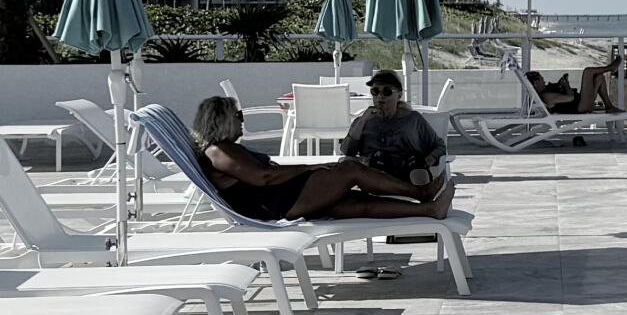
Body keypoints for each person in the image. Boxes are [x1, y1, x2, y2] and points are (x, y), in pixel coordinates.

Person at [186, 94, 449, 221]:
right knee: (349, 168)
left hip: (276, 199)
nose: (241, 121)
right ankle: (421, 192)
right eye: (237, 116)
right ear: (222, 120)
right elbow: (263, 177)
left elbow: (264, 175)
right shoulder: (218, 150)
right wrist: (309, 167)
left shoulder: (222, 148)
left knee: (353, 203)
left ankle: (427, 210)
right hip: (276, 203)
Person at [339, 69, 457, 217]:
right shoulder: (364, 121)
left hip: (407, 172)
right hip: (375, 175)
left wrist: (430, 159)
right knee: (347, 164)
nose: (380, 97)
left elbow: (439, 145)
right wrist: (362, 121)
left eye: (387, 92)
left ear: (399, 95)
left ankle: (426, 210)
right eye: (375, 91)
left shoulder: (413, 120)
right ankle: (425, 198)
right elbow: (346, 151)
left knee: (417, 166)